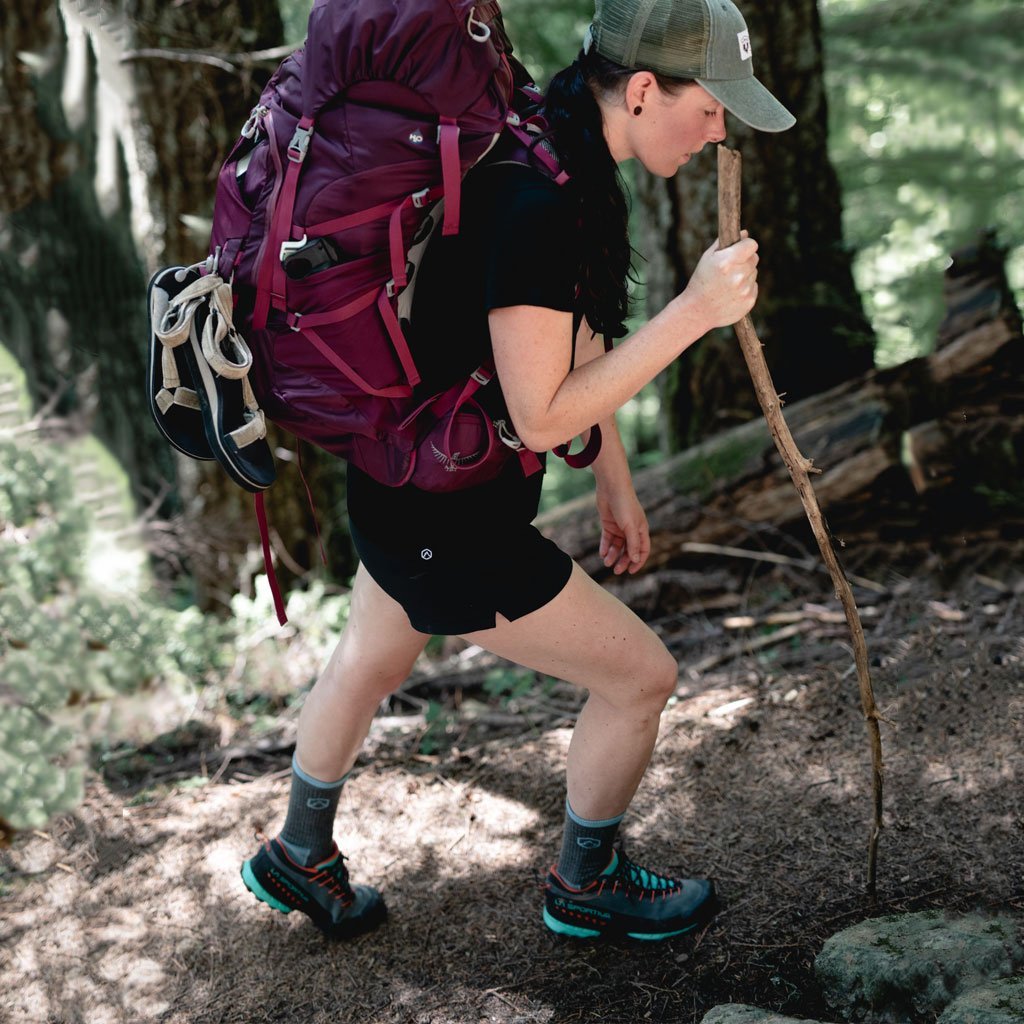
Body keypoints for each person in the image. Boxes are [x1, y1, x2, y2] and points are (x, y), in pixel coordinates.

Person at [241, 0, 794, 942]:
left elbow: (567, 344)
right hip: (452, 521)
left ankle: (298, 852)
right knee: (641, 680)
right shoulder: (541, 199)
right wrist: (696, 312)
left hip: (403, 483)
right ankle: (586, 881)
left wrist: (614, 477)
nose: (719, 130)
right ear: (646, 89)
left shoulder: (550, 144)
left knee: (369, 658)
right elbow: (541, 411)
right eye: (710, 107)